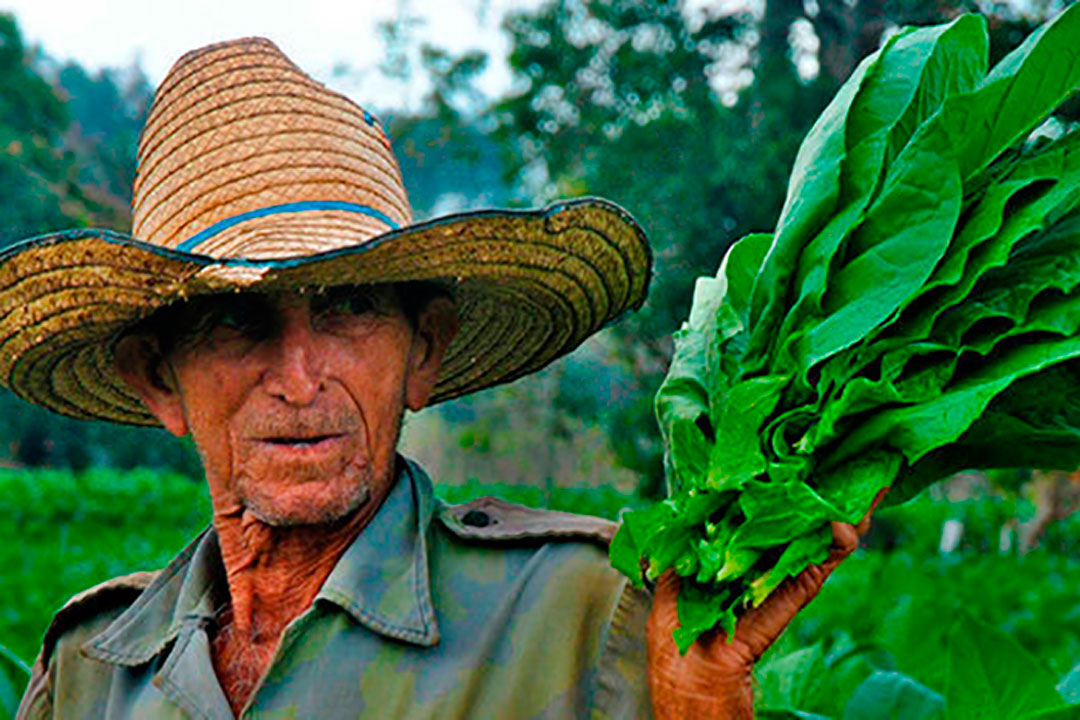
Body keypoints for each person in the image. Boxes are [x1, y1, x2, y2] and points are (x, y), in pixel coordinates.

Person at [4, 38, 872, 719]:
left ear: (424, 352)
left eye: (347, 311)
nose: (300, 379)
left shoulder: (590, 612)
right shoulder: (90, 668)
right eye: (237, 321)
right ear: (161, 382)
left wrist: (705, 707)